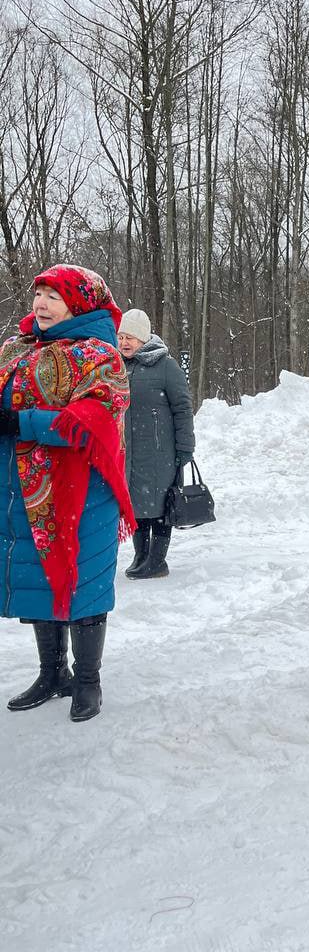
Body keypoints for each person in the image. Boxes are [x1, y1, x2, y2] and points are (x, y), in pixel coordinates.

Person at [0, 265, 135, 721]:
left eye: (53, 296)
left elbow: (94, 418)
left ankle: (88, 680)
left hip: (83, 493)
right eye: (38, 293)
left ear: (79, 303)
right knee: (40, 581)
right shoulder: (15, 348)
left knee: (84, 588)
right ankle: (52, 672)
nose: (41, 303)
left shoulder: (101, 354)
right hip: (23, 493)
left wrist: (23, 423)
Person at [117, 309, 195, 579]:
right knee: (137, 504)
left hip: (162, 452)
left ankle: (157, 561)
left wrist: (186, 447)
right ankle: (141, 555)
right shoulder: (118, 367)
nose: (125, 343)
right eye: (121, 337)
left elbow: (183, 408)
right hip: (131, 453)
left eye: (131, 338)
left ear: (144, 339)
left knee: (161, 505)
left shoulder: (166, 366)